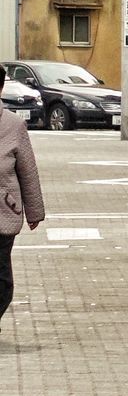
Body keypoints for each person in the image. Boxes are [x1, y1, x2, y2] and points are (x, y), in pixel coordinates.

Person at [1, 66, 46, 334]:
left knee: (2, 277)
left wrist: (34, 211)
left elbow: (27, 171)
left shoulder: (13, 125)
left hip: (3, 213)